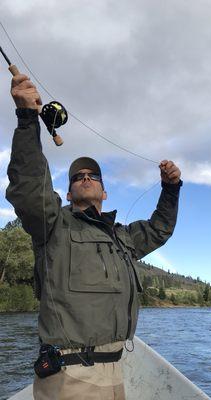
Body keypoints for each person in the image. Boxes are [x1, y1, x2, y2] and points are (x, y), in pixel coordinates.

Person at [6, 73, 182, 400]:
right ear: (69, 194)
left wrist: (171, 189)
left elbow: (160, 228)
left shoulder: (123, 238)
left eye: (93, 176)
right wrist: (28, 118)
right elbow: (29, 189)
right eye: (77, 177)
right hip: (70, 378)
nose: (85, 178)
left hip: (115, 373)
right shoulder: (53, 225)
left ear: (105, 192)